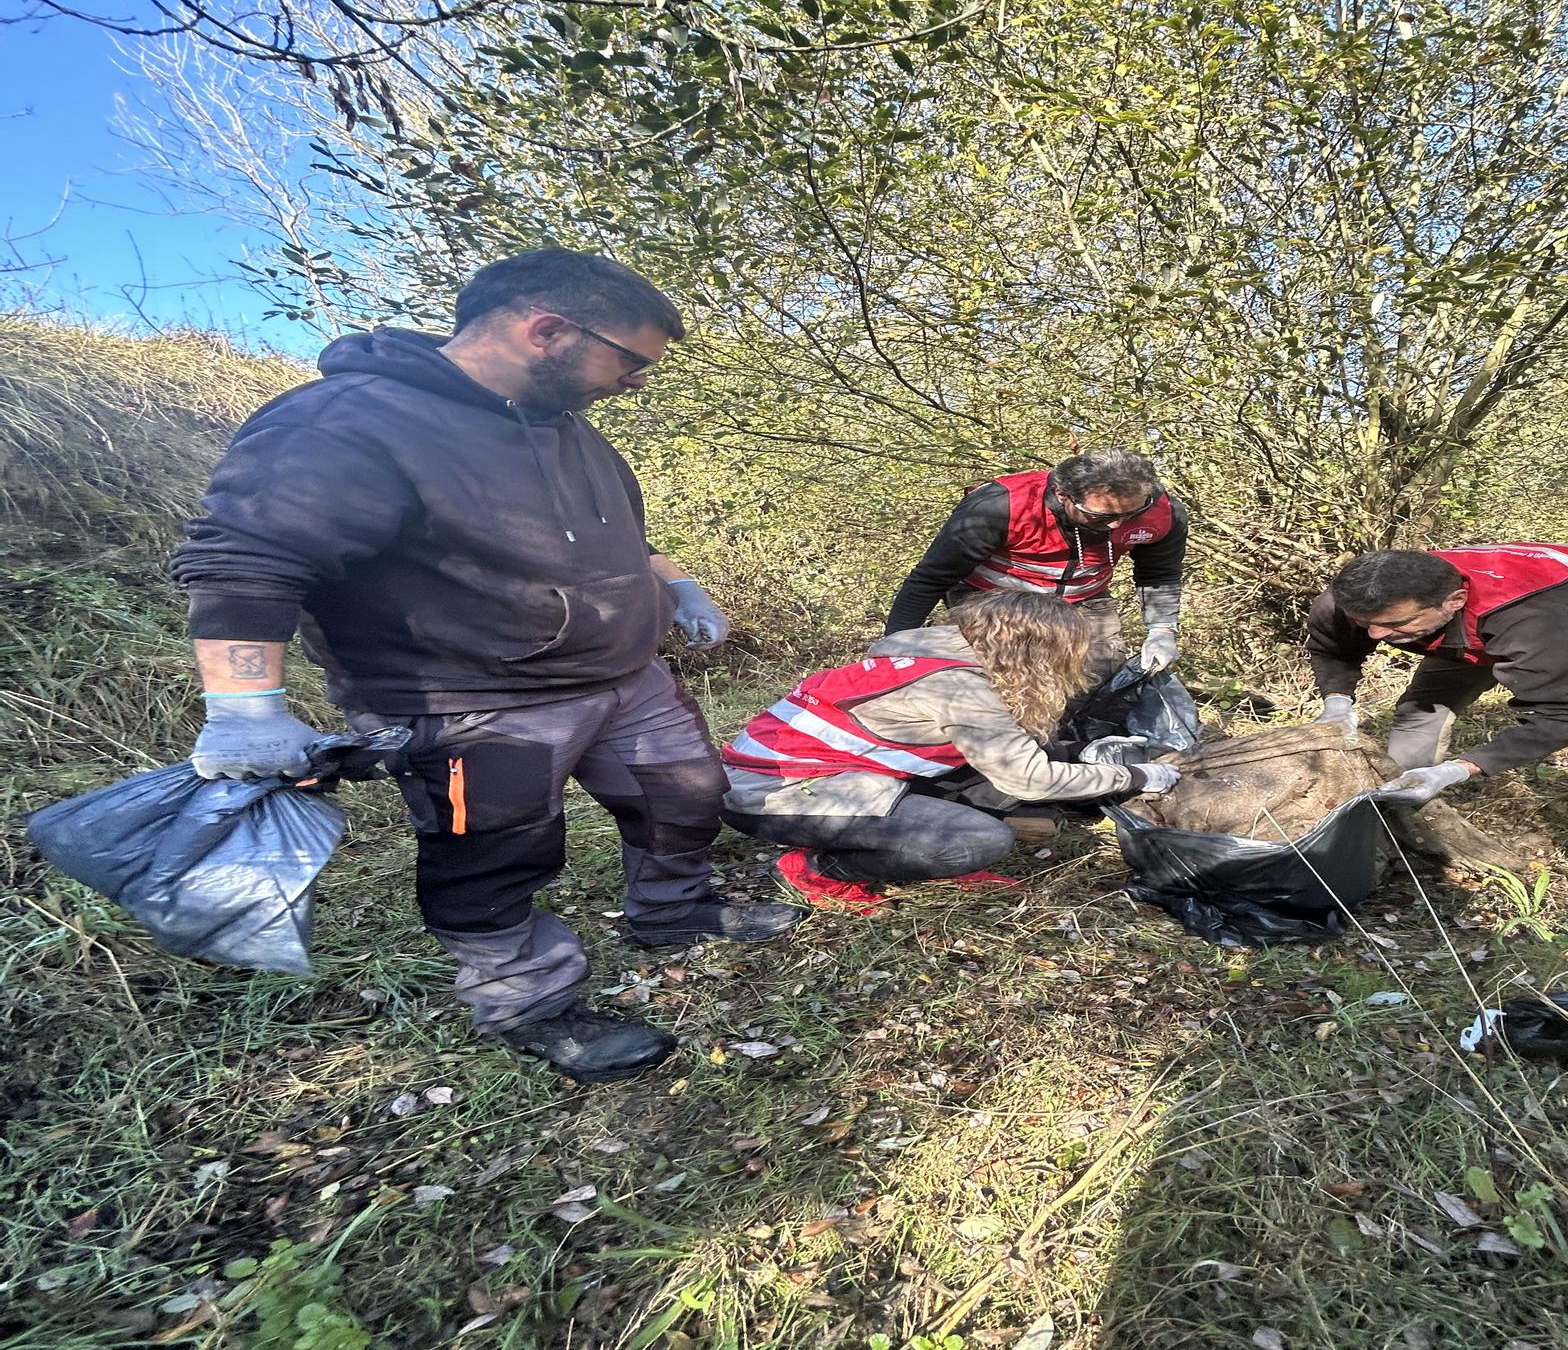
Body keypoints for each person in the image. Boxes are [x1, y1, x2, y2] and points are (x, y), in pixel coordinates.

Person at [168, 248, 802, 1083]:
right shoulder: (346, 423)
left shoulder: (565, 430)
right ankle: (526, 998)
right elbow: (247, 561)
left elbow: (610, 536)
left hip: (622, 678)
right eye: (633, 361)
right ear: (548, 330)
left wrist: (676, 584)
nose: (636, 383)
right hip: (470, 698)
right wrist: (246, 711)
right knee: (493, 854)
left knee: (685, 795)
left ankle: (673, 911)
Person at [1306, 543, 1568, 920]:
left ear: (1454, 600)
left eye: (1392, 625)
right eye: (1366, 625)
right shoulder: (1356, 600)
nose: (1376, 636)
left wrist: (1460, 769)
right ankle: (1396, 831)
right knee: (1418, 715)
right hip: (1477, 625)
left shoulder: (1526, 617)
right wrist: (1338, 703)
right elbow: (1333, 646)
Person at [721, 592, 1181, 913]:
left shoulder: (935, 650)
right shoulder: (959, 686)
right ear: (1031, 650)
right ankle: (816, 868)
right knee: (978, 841)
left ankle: (911, 853)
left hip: (795, 777)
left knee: (995, 802)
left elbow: (996, 745)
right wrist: (1137, 778)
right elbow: (1029, 779)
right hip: (778, 794)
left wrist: (1081, 750)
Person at [883, 448, 1188, 680]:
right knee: (997, 678)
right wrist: (896, 643)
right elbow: (930, 579)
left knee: (1094, 675)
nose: (1116, 525)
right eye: (1101, 516)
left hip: (1083, 598)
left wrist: (1162, 631)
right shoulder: (999, 505)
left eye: (1131, 513)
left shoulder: (1162, 513)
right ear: (1063, 495)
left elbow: (1159, 574)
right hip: (993, 600)